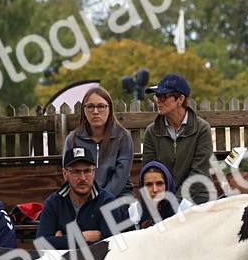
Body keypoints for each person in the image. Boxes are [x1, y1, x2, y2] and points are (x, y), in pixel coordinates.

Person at [36, 145, 127, 251]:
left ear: (94, 172)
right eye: (76, 172)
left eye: (88, 171)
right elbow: (40, 244)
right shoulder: (54, 202)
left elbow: (109, 248)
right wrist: (84, 237)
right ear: (65, 174)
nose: (83, 178)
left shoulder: (108, 203)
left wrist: (61, 241)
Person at [141, 73, 214, 202]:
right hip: (162, 197)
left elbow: (199, 172)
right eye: (156, 95)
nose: (158, 100)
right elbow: (150, 172)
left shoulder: (202, 128)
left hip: (198, 194)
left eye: (163, 96)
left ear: (180, 99)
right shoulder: (151, 132)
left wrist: (177, 201)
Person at [62, 86, 134, 197]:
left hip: (118, 196)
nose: (95, 111)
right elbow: (69, 175)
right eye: (90, 106)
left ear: (109, 110)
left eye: (101, 106)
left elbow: (121, 176)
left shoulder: (123, 137)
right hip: (83, 197)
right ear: (84, 110)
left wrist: (101, 200)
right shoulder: (72, 139)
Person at [127, 160, 192, 228]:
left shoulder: (184, 209)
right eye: (149, 185)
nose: (155, 190)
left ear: (167, 184)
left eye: (159, 183)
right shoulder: (135, 213)